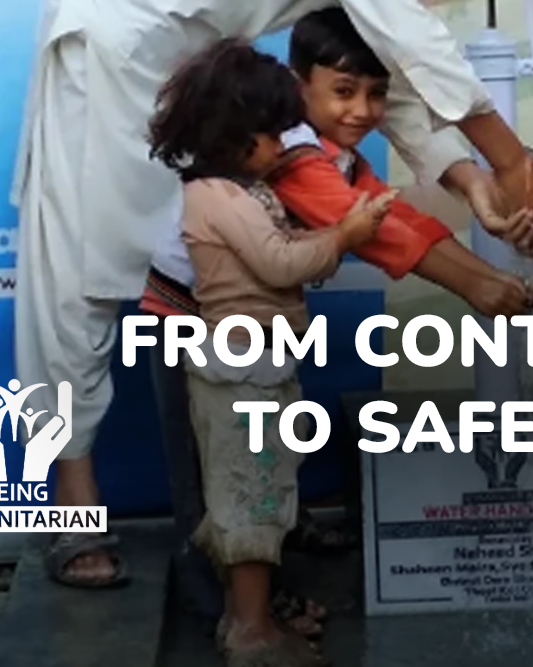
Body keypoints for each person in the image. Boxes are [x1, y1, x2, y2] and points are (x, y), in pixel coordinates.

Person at [11, 0, 533, 587]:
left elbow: (389, 68)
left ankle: (249, 505)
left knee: (221, 281)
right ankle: (74, 506)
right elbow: (405, 36)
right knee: (85, 278)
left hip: (198, 72)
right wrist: (512, 161)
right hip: (113, 40)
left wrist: (469, 178)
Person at [140, 7, 533, 628]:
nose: (362, 111)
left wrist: (485, 253)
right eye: (344, 92)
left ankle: (271, 559)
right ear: (300, 86)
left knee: (260, 457)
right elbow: (376, 234)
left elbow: (394, 217)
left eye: (377, 94)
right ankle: (228, 610)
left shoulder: (327, 151)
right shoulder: (294, 154)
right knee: (213, 478)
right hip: (188, 324)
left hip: (254, 334)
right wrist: (478, 285)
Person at [145, 39, 392, 667]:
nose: (284, 146)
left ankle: (243, 618)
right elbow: (279, 262)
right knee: (251, 497)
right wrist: (345, 235)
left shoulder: (240, 192)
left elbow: (283, 252)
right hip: (242, 373)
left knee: (253, 490)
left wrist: (329, 236)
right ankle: (251, 632)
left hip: (252, 366)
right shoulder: (218, 197)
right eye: (273, 134)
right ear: (235, 135)